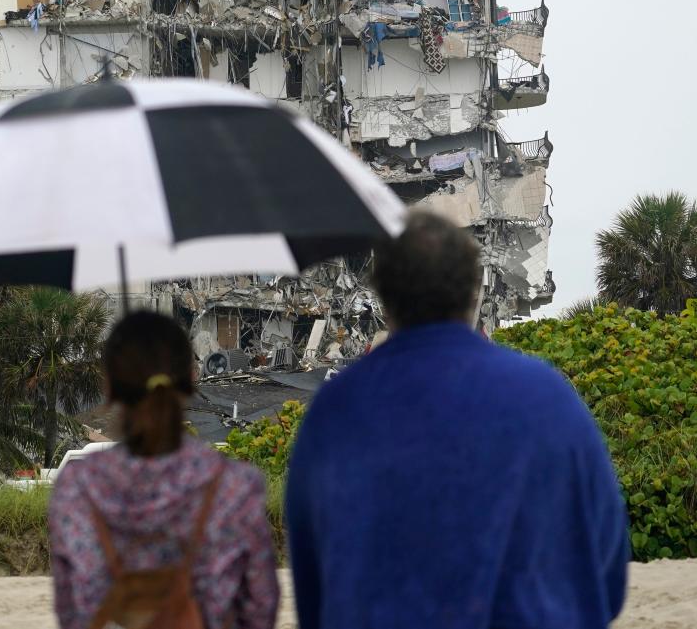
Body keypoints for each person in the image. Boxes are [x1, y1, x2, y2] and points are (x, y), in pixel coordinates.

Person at [286, 211, 629, 629]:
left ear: (383, 297)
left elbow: (313, 590)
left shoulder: (333, 412)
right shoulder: (549, 397)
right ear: (473, 293)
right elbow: (607, 575)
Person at [49, 311, 279, 629]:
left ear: (109, 385)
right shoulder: (236, 486)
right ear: (192, 375)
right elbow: (260, 608)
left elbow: (70, 612)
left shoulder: (76, 489)